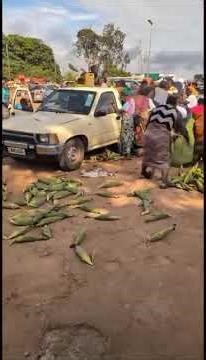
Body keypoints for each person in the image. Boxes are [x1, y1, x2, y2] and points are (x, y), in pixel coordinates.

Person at [141, 95, 189, 188]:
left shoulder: (157, 108)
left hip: (149, 133)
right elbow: (181, 128)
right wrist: (187, 137)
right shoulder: (175, 112)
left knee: (148, 153)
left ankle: (144, 171)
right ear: (175, 103)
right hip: (161, 136)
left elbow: (149, 122)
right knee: (164, 159)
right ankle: (164, 181)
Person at [120, 87, 135, 157]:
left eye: (123, 95)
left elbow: (123, 110)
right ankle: (128, 151)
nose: (122, 97)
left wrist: (115, 108)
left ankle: (125, 152)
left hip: (126, 119)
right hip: (131, 119)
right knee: (129, 135)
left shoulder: (128, 102)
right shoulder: (132, 101)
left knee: (125, 135)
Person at [191, 96, 204, 161]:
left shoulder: (194, 108)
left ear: (198, 103)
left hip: (198, 131)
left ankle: (195, 160)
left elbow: (192, 118)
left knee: (197, 144)